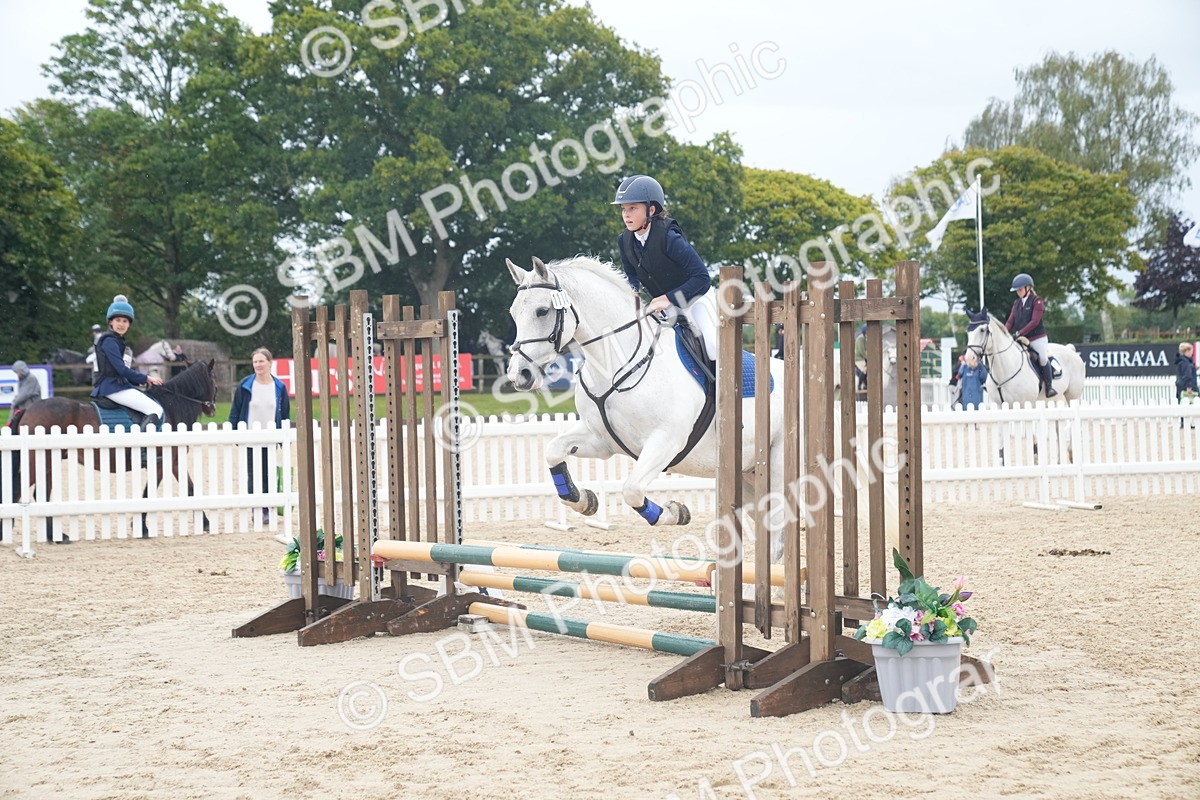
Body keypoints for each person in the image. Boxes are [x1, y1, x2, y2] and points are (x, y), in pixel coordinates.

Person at [613, 174, 717, 367]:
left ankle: (721, 393)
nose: (626, 214)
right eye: (623, 209)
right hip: (663, 306)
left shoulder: (670, 237)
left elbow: (702, 278)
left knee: (712, 345)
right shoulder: (624, 240)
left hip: (696, 298)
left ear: (651, 209)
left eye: (633, 208)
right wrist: (631, 297)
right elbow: (631, 276)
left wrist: (667, 298)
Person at [228, 347, 291, 524]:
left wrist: (284, 438)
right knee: (253, 475)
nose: (258, 365)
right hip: (250, 438)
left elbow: (285, 414)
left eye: (261, 361)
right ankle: (256, 508)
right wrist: (233, 432)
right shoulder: (246, 385)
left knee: (269, 475)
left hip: (270, 439)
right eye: (255, 361)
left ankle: (267, 508)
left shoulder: (279, 387)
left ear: (270, 363)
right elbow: (235, 410)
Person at [91, 295, 164, 427]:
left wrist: (140, 380)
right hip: (112, 387)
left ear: (129, 324)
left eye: (125, 321)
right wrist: (146, 378)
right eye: (118, 320)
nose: (121, 324)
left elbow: (124, 371)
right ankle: (141, 447)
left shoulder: (118, 341)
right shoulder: (109, 341)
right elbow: (121, 369)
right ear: (110, 322)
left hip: (117, 385)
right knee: (156, 410)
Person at [1004, 273, 1056, 398]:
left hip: (1037, 338)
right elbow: (1011, 321)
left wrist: (1019, 333)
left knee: (1042, 357)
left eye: (1020, 289)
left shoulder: (1037, 301)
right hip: (1021, 339)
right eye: (1017, 290)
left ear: (1028, 288)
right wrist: (1004, 332)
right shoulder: (1016, 303)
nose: (1018, 292)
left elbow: (1034, 322)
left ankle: (1049, 387)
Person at [1175, 341, 1198, 428]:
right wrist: (1189, 386)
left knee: (1182, 403)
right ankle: (1186, 422)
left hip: (1180, 384)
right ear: (1187, 351)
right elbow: (1187, 375)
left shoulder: (1181, 361)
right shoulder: (1185, 362)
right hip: (1187, 385)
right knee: (1189, 403)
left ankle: (1183, 422)